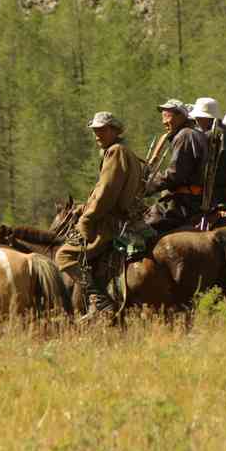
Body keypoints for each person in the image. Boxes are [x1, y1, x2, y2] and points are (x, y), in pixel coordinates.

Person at [55, 112, 143, 319]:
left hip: (110, 223)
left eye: (102, 130)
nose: (97, 135)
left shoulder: (115, 152)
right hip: (121, 218)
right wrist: (84, 206)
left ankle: (100, 301)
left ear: (114, 130)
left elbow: (106, 192)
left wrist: (87, 218)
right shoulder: (123, 151)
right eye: (95, 131)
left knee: (65, 255)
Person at [144, 98, 208, 233]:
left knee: (144, 229)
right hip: (192, 199)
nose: (164, 121)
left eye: (168, 116)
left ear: (181, 116)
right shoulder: (193, 133)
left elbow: (175, 174)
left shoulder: (185, 135)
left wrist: (147, 186)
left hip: (184, 203)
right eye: (163, 117)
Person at [189, 97, 226, 208]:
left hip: (218, 193)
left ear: (207, 118)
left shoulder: (211, 135)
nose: (197, 120)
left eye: (199, 117)